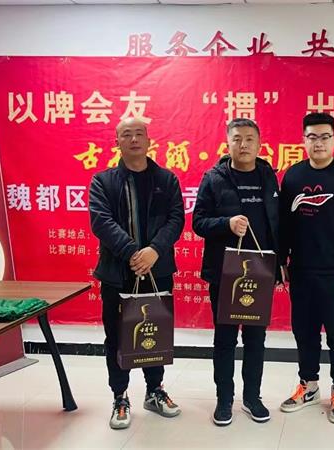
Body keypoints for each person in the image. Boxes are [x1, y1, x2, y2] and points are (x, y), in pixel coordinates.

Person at [89, 117, 185, 430]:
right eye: (126, 134)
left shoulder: (166, 179)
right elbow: (101, 222)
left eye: (139, 134)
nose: (134, 139)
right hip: (118, 272)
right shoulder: (103, 181)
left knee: (155, 332)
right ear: (117, 141)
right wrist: (133, 252)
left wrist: (154, 251)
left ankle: (155, 390)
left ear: (148, 140)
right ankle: (120, 396)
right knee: (117, 336)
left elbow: (176, 219)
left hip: (158, 269)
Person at [278, 112, 334, 424]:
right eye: (312, 137)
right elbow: (284, 225)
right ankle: (308, 385)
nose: (318, 143)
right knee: (304, 333)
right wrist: (281, 261)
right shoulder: (292, 177)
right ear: (303, 140)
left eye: (324, 137)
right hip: (302, 271)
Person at [193, 118, 282, 426]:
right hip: (225, 273)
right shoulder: (214, 178)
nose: (243, 145)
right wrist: (226, 224)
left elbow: (277, 225)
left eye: (249, 139)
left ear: (259, 144)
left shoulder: (269, 177)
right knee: (225, 339)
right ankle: (224, 400)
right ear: (227, 143)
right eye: (237, 139)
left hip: (260, 273)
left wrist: (280, 264)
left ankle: (252, 398)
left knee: (256, 339)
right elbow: (198, 222)